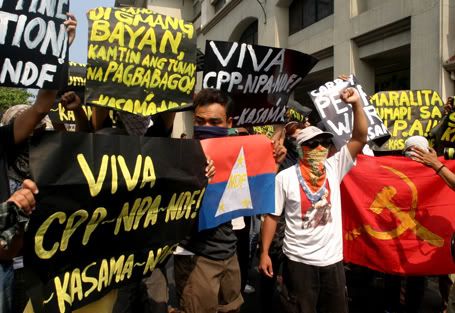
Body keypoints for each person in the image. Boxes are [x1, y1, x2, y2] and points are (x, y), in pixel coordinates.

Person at [174, 88, 286, 313]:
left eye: (215, 121)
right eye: (200, 121)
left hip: (229, 252)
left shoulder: (238, 153)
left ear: (229, 123)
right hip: (196, 258)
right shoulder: (181, 153)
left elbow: (251, 196)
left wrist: (272, 163)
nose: (206, 127)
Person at [259, 87, 368, 313]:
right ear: (300, 149)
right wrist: (264, 252)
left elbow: (360, 137)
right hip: (298, 262)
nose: (320, 148)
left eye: (324, 144)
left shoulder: (334, 167)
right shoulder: (285, 178)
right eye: (313, 144)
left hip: (332, 262)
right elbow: (271, 216)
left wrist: (356, 104)